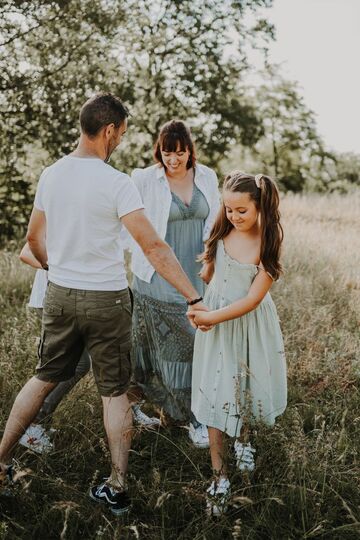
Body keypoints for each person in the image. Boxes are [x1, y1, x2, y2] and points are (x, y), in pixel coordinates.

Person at [0, 93, 207, 516]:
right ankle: (116, 486)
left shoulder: (51, 174)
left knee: (42, 378)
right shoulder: (117, 183)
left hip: (59, 294)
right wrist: (194, 296)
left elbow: (34, 241)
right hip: (108, 299)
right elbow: (153, 247)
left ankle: (1, 461)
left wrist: (58, 269)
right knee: (114, 394)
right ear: (109, 130)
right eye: (122, 134)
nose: (120, 141)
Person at [189, 171, 287, 515]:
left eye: (242, 211)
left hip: (246, 324)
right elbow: (210, 270)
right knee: (215, 393)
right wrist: (203, 302)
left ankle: (244, 440)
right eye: (228, 209)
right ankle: (219, 477)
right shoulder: (223, 228)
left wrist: (213, 317)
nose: (234, 216)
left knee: (241, 384)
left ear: (260, 206)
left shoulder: (269, 240)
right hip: (214, 324)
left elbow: (253, 299)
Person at [129, 120, 220, 447]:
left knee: (197, 347)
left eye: (180, 153)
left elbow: (217, 223)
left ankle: (173, 413)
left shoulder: (207, 177)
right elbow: (129, 225)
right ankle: (192, 418)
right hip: (157, 277)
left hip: (198, 277)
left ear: (189, 151)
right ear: (160, 151)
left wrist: (213, 262)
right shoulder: (143, 179)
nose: (173, 160)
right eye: (168, 153)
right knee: (173, 348)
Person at [18, 243, 91, 453]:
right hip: (56, 296)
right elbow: (26, 253)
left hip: (71, 297)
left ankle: (36, 423)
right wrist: (60, 271)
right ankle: (33, 426)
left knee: (76, 364)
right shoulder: (56, 211)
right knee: (70, 365)